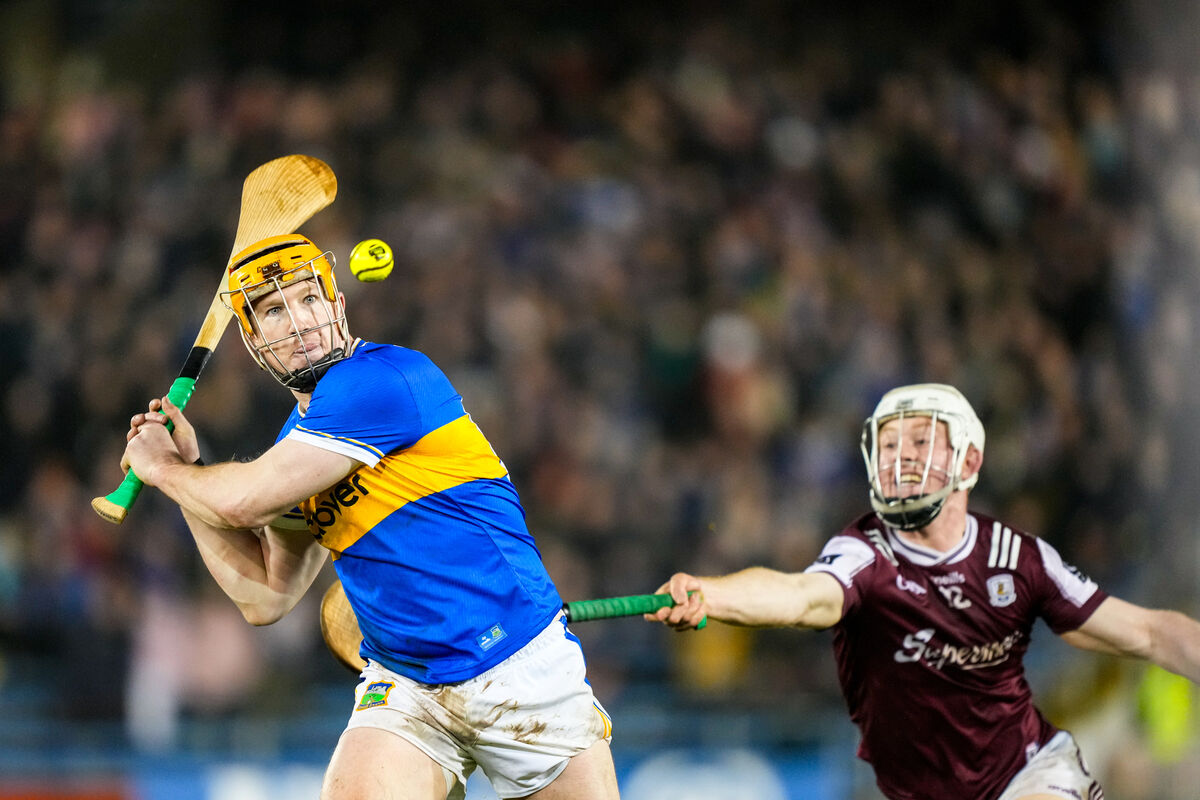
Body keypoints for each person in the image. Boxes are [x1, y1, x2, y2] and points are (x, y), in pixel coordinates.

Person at [121, 233, 620, 800]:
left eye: (309, 299)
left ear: (336, 306)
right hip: (406, 684)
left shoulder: (384, 380)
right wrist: (188, 472)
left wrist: (162, 470)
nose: (299, 322)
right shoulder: (298, 445)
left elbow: (244, 501)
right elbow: (266, 596)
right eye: (275, 311)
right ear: (256, 342)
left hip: (517, 664)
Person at [650, 382, 1200, 800]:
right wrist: (713, 597)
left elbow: (1150, 633)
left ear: (970, 461)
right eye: (889, 443)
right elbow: (800, 597)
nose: (902, 455)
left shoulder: (1017, 559)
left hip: (1031, 775)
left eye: (921, 439)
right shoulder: (865, 553)